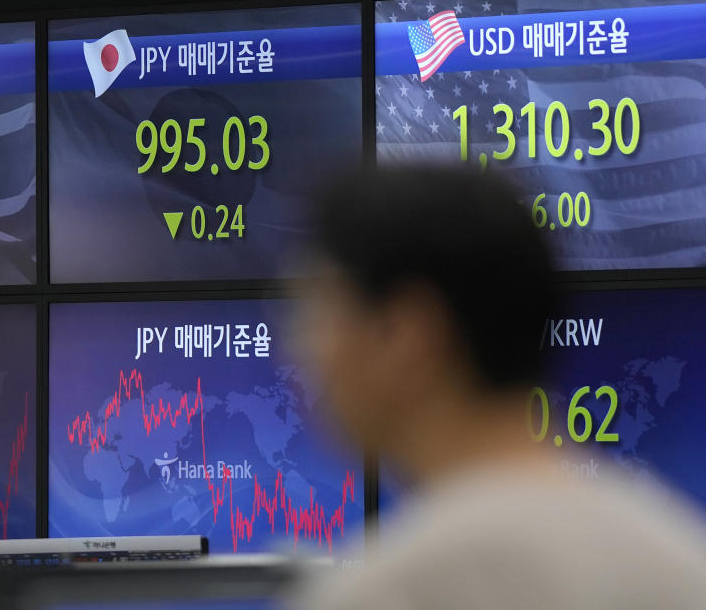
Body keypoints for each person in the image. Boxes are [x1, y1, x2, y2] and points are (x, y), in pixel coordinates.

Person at [294, 165, 706, 610]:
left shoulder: (382, 591)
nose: (303, 347)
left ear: (406, 335)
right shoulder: (680, 556)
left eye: (321, 309)